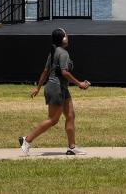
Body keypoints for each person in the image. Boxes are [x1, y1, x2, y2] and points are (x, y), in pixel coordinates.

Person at [19, 28, 90, 156]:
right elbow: (65, 72)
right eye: (66, 36)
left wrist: (38, 88)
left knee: (70, 116)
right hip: (56, 88)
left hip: (61, 88)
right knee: (53, 120)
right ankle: (27, 140)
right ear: (63, 39)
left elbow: (45, 72)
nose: (68, 37)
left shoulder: (53, 52)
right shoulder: (63, 53)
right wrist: (80, 83)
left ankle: (72, 148)